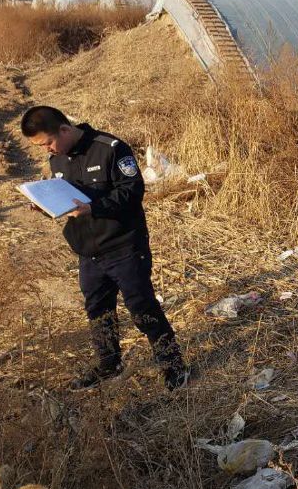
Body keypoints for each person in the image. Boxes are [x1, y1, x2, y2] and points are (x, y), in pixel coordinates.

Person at [20, 106, 189, 392]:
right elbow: (68, 201)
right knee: (98, 310)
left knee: (141, 306)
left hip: (124, 245)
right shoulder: (58, 161)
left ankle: (173, 365)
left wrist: (94, 206)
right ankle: (109, 364)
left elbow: (132, 191)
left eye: (48, 142)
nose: (47, 150)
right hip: (88, 251)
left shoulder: (109, 148)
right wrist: (46, 205)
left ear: (64, 129)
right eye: (41, 147)